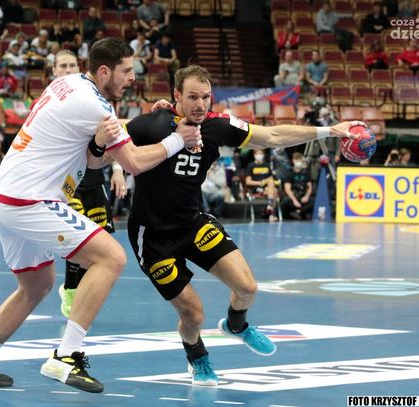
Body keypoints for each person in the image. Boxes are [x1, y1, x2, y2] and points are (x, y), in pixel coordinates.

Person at [0, 37, 201, 393]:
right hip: (31, 200)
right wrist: (177, 138)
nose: (133, 78)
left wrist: (146, 123)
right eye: (126, 71)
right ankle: (66, 355)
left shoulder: (68, 84)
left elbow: (94, 156)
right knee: (111, 258)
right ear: (105, 71)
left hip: (5, 197)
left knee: (36, 286)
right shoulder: (96, 106)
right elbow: (133, 162)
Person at [125, 65, 359, 386]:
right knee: (193, 314)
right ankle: (197, 357)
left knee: (247, 287)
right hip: (152, 238)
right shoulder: (152, 124)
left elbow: (272, 136)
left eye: (206, 97)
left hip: (192, 223)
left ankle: (236, 324)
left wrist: (330, 131)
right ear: (176, 95)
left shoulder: (218, 125)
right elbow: (111, 140)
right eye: (192, 97)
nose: (200, 104)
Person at [52, 50, 127, 318]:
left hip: (94, 177)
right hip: (67, 182)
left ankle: (75, 290)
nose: (68, 69)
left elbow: (112, 136)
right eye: (63, 66)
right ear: (54, 71)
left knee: (99, 239)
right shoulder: (52, 100)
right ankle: (72, 291)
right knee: (77, 239)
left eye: (72, 65)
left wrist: (117, 169)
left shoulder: (95, 98)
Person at [245, 149, 278, 222]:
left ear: (263, 155)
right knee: (274, 191)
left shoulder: (267, 165)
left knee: (272, 186)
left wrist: (266, 181)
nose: (259, 156)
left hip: (266, 189)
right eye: (257, 154)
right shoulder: (251, 166)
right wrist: (260, 183)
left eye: (261, 154)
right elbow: (248, 182)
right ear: (254, 155)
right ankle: (271, 213)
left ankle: (270, 208)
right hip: (256, 189)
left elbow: (271, 178)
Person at [281, 152, 314, 220]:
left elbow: (310, 187)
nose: (298, 162)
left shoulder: (306, 173)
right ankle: (298, 213)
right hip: (293, 197)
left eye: (300, 160)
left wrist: (306, 196)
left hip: (303, 197)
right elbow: (287, 189)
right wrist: (294, 200)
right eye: (297, 160)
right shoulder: (289, 173)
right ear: (293, 161)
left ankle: (299, 211)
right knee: (285, 201)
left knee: (314, 201)